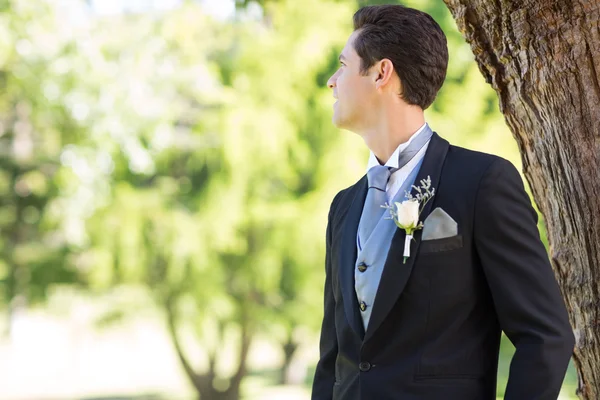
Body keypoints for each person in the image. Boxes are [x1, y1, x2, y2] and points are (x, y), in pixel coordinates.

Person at [311, 4, 575, 400]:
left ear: (381, 73)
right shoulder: (343, 207)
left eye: (343, 66)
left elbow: (546, 337)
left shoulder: (481, 183)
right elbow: (333, 361)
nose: (332, 81)